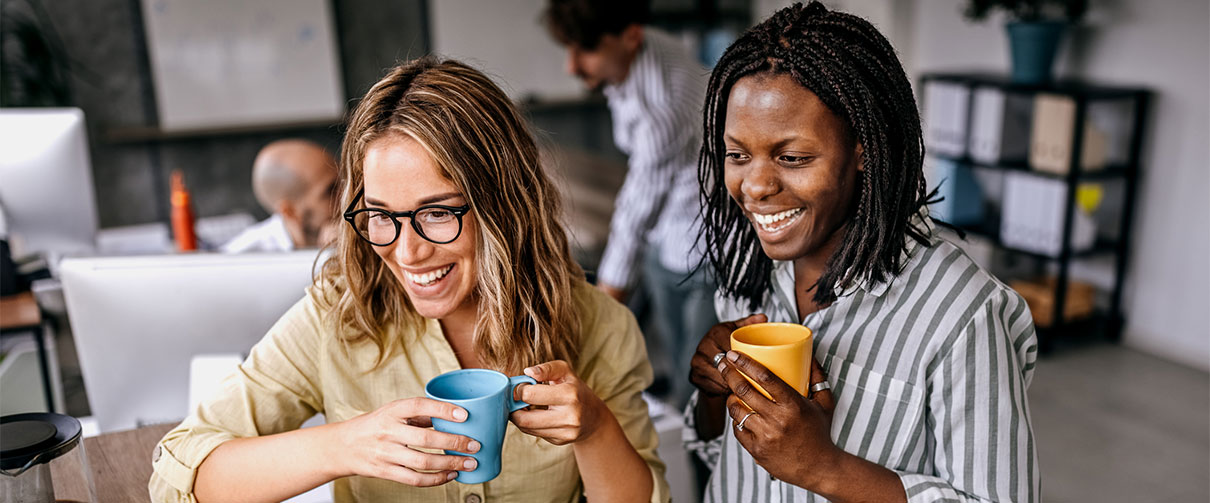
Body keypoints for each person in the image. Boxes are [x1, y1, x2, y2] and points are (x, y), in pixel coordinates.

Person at [149, 57, 669, 503]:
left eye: (437, 213)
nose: (406, 251)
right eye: (381, 215)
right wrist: (345, 446)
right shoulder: (338, 316)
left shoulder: (600, 326)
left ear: (503, 206)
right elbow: (176, 477)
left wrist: (596, 429)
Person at [683, 3, 1039, 502]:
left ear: (864, 150)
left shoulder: (963, 313)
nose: (756, 185)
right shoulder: (751, 271)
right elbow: (728, 462)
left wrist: (824, 469)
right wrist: (712, 396)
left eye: (793, 158)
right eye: (738, 154)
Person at [542, 0, 718, 407]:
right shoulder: (640, 47)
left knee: (701, 377)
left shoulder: (664, 107)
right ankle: (675, 400)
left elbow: (636, 214)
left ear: (630, 37)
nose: (571, 66)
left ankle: (699, 455)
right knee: (677, 364)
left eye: (585, 50)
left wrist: (600, 309)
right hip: (666, 235)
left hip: (707, 249)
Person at [220, 139, 339, 253]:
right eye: (330, 191)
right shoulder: (239, 261)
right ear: (290, 211)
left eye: (345, 183)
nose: (345, 195)